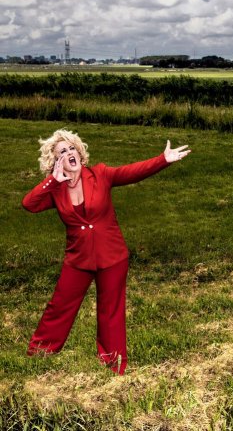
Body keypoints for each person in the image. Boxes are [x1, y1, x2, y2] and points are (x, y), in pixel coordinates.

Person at [22, 128, 190, 375]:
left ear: (80, 152)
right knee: (59, 306)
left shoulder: (100, 175)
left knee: (110, 312)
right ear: (55, 162)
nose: (70, 153)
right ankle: (40, 354)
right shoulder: (55, 190)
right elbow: (29, 204)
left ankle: (113, 364)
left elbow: (131, 172)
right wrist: (53, 180)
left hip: (112, 256)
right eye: (62, 152)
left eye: (72, 148)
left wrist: (163, 160)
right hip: (78, 259)